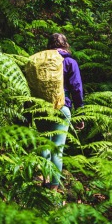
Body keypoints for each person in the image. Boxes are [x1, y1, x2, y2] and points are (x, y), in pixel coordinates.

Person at [40, 33, 85, 191]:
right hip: (62, 108)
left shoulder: (41, 61)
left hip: (41, 108)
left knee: (44, 145)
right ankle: (53, 189)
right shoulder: (69, 62)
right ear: (66, 45)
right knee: (57, 148)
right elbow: (77, 88)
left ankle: (43, 180)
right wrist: (80, 112)